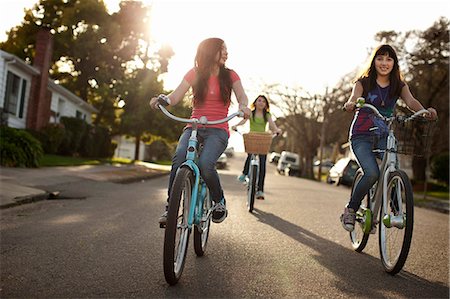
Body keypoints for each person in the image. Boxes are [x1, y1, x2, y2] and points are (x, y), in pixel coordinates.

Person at [150, 37, 251, 226]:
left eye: (226, 49)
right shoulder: (195, 73)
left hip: (218, 130)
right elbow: (175, 96)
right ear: (210, 51)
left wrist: (244, 106)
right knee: (180, 157)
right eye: (222, 49)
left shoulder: (230, 75)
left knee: (205, 163)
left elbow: (241, 96)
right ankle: (170, 208)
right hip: (194, 127)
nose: (226, 53)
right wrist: (162, 100)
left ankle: (218, 200)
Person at [340, 44, 438, 231]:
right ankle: (351, 209)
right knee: (372, 173)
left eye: (389, 59)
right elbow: (354, 97)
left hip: (384, 134)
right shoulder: (363, 82)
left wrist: (424, 111)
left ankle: (395, 210)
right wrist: (351, 103)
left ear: (394, 63)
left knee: (392, 169)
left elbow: (411, 102)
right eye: (380, 58)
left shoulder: (398, 85)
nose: (384, 63)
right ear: (374, 61)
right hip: (361, 136)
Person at [231, 95, 281, 200]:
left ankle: (260, 190)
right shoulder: (251, 113)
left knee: (262, 164)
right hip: (252, 138)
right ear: (255, 102)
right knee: (250, 155)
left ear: (266, 104)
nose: (261, 102)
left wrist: (276, 130)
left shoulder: (267, 115)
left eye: (263, 101)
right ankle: (245, 173)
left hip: (262, 139)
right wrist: (236, 126)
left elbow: (272, 125)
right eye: (259, 100)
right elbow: (243, 121)